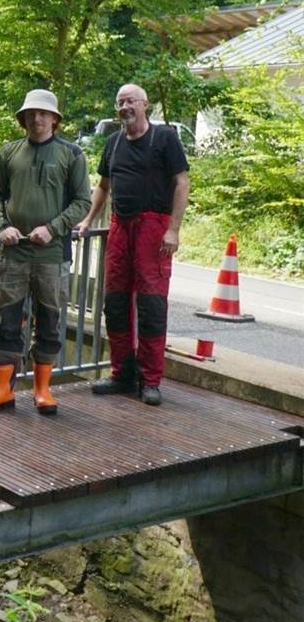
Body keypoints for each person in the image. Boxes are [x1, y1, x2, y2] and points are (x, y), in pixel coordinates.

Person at [0, 89, 90, 417]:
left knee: (50, 321)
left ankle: (42, 390)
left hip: (52, 256)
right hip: (14, 253)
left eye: (43, 113)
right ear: (23, 119)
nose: (36, 119)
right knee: (8, 320)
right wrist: (2, 225)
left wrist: (52, 227)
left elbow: (83, 201)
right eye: (30, 114)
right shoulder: (9, 152)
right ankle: (2, 390)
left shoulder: (72, 155)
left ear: (55, 119)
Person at [78, 83, 190, 406]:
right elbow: (103, 186)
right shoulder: (113, 142)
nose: (124, 106)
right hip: (119, 227)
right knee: (114, 302)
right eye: (119, 102)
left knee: (152, 305)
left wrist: (173, 229)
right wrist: (87, 219)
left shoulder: (164, 138)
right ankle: (122, 374)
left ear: (145, 104)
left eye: (130, 101)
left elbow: (182, 183)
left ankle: (151, 379)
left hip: (153, 228)